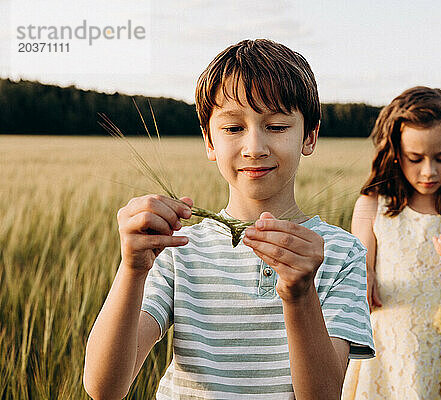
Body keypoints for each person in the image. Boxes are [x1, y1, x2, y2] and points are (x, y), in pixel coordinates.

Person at [83, 39, 374, 400]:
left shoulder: (341, 253)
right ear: (209, 141)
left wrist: (300, 295)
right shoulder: (178, 247)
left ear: (309, 136)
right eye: (233, 129)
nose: (254, 147)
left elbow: (322, 395)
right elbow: (104, 388)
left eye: (278, 126)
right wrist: (131, 269)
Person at [342, 86, 441, 399]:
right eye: (415, 158)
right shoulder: (373, 205)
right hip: (388, 355)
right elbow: (360, 276)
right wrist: (362, 279)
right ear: (395, 152)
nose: (429, 171)